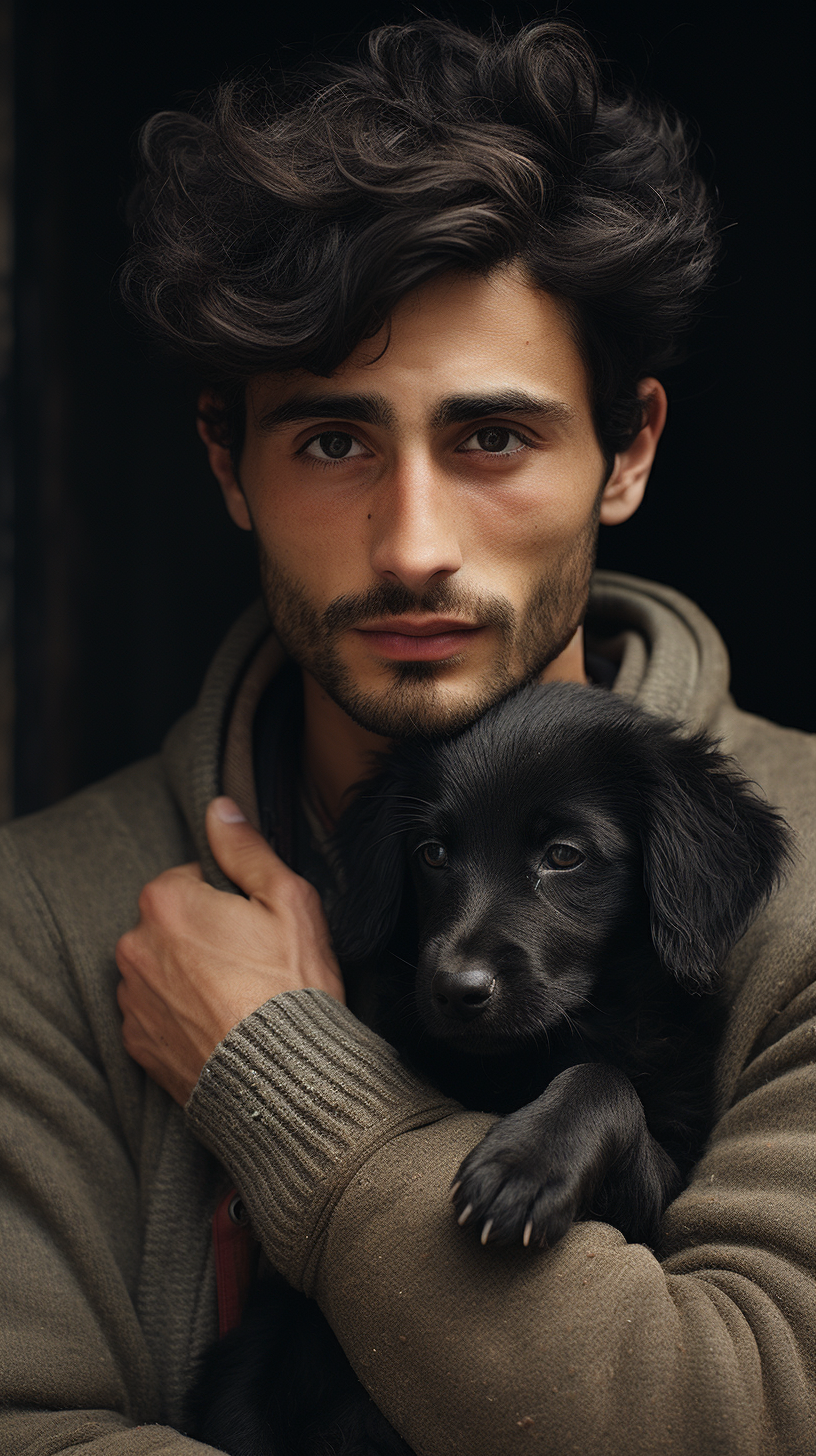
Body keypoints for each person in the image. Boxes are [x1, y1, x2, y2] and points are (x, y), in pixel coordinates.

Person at [1, 17, 813, 1455]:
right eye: (332, 440)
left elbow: (736, 1415)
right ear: (223, 461)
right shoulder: (37, 924)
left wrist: (284, 1069)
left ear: (628, 450)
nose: (414, 542)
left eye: (491, 438)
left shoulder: (807, 891)